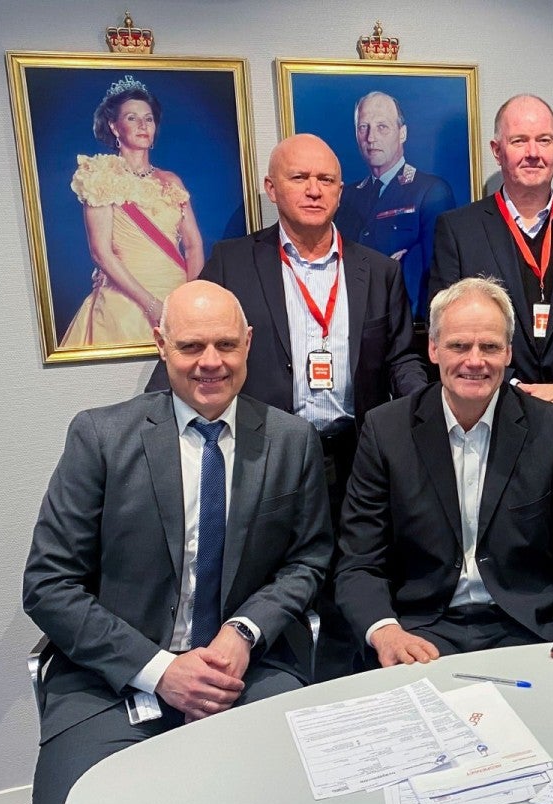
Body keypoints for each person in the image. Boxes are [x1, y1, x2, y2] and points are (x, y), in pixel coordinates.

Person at [23, 281, 331, 804]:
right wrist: (161, 670)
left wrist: (243, 631)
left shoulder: (291, 439)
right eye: (191, 346)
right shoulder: (100, 438)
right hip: (114, 680)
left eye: (226, 344)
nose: (211, 362)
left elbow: (307, 561)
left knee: (309, 792)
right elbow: (48, 586)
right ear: (161, 344)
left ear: (248, 342)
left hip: (247, 671)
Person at [146, 133, 426, 680]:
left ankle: (352, 690)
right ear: (272, 188)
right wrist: (149, 427)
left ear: (341, 191)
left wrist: (430, 415)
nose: (314, 190)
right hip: (266, 454)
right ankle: (276, 682)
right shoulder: (233, 262)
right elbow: (193, 345)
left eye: (326, 180)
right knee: (273, 578)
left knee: (352, 577)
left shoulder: (378, 271)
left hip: (354, 456)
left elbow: (401, 360)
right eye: (299, 178)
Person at [334, 277, 553, 666]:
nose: (475, 361)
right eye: (459, 346)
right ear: (433, 348)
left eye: (490, 347)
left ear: (509, 352)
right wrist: (386, 632)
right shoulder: (386, 431)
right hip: (420, 631)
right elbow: (359, 563)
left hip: (528, 629)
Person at [427, 94, 553, 479]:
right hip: (492, 421)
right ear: (497, 150)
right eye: (519, 141)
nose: (533, 153)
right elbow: (446, 326)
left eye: (544, 140)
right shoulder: (458, 230)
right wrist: (511, 386)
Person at [60, 75, 204, 348]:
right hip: (125, 303)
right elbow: (100, 252)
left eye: (148, 119)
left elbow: (193, 245)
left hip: (177, 300)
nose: (142, 125)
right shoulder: (100, 175)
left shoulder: (171, 181)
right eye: (132, 118)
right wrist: (150, 305)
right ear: (114, 127)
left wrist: (189, 299)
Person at [335, 91, 457, 320]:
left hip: (407, 324)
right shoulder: (346, 197)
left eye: (382, 127)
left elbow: (438, 276)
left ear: (402, 133)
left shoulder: (430, 191)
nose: (371, 138)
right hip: (352, 322)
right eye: (363, 127)